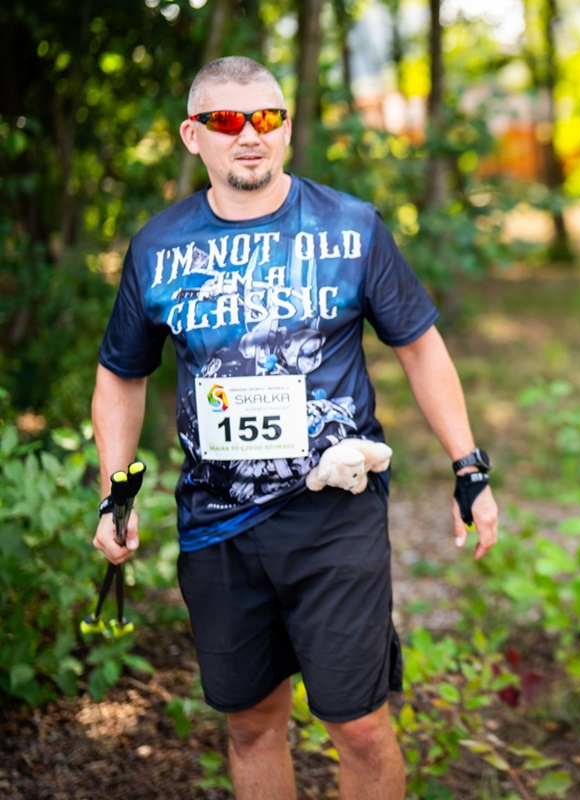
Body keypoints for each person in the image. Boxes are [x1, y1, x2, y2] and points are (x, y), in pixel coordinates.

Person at [91, 56, 498, 799]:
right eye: (225, 120)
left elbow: (419, 346)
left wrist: (469, 468)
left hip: (332, 513)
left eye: (267, 118)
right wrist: (114, 494)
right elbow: (122, 373)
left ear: (286, 125)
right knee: (250, 721)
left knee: (360, 724)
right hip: (216, 522)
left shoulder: (350, 225)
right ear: (193, 135)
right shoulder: (159, 246)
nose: (249, 135)